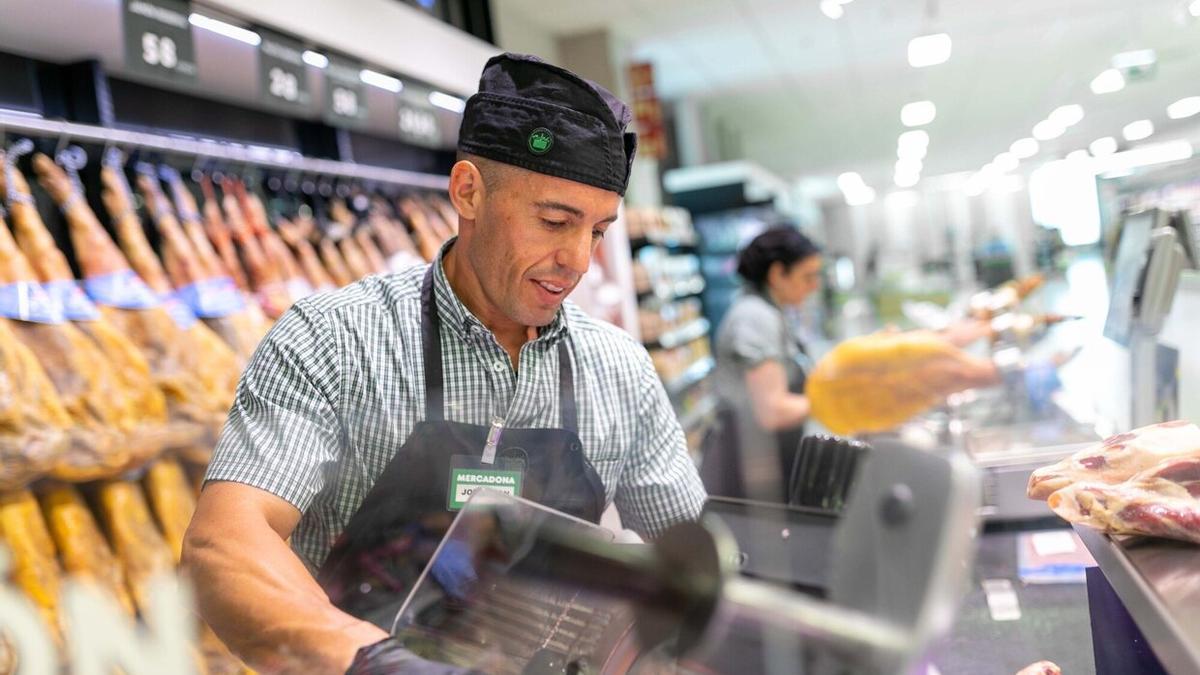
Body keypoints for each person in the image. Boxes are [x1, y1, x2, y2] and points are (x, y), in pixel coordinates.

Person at [182, 53, 707, 674]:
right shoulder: (335, 339)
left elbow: (693, 567)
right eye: (554, 221)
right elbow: (225, 544)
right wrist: (384, 666)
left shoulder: (619, 369)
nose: (578, 260)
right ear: (468, 192)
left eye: (596, 231)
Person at [703, 226, 822, 502]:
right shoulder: (755, 318)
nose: (814, 286)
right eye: (808, 276)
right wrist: (839, 401)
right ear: (778, 273)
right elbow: (772, 411)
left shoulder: (773, 313)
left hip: (766, 461)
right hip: (749, 472)